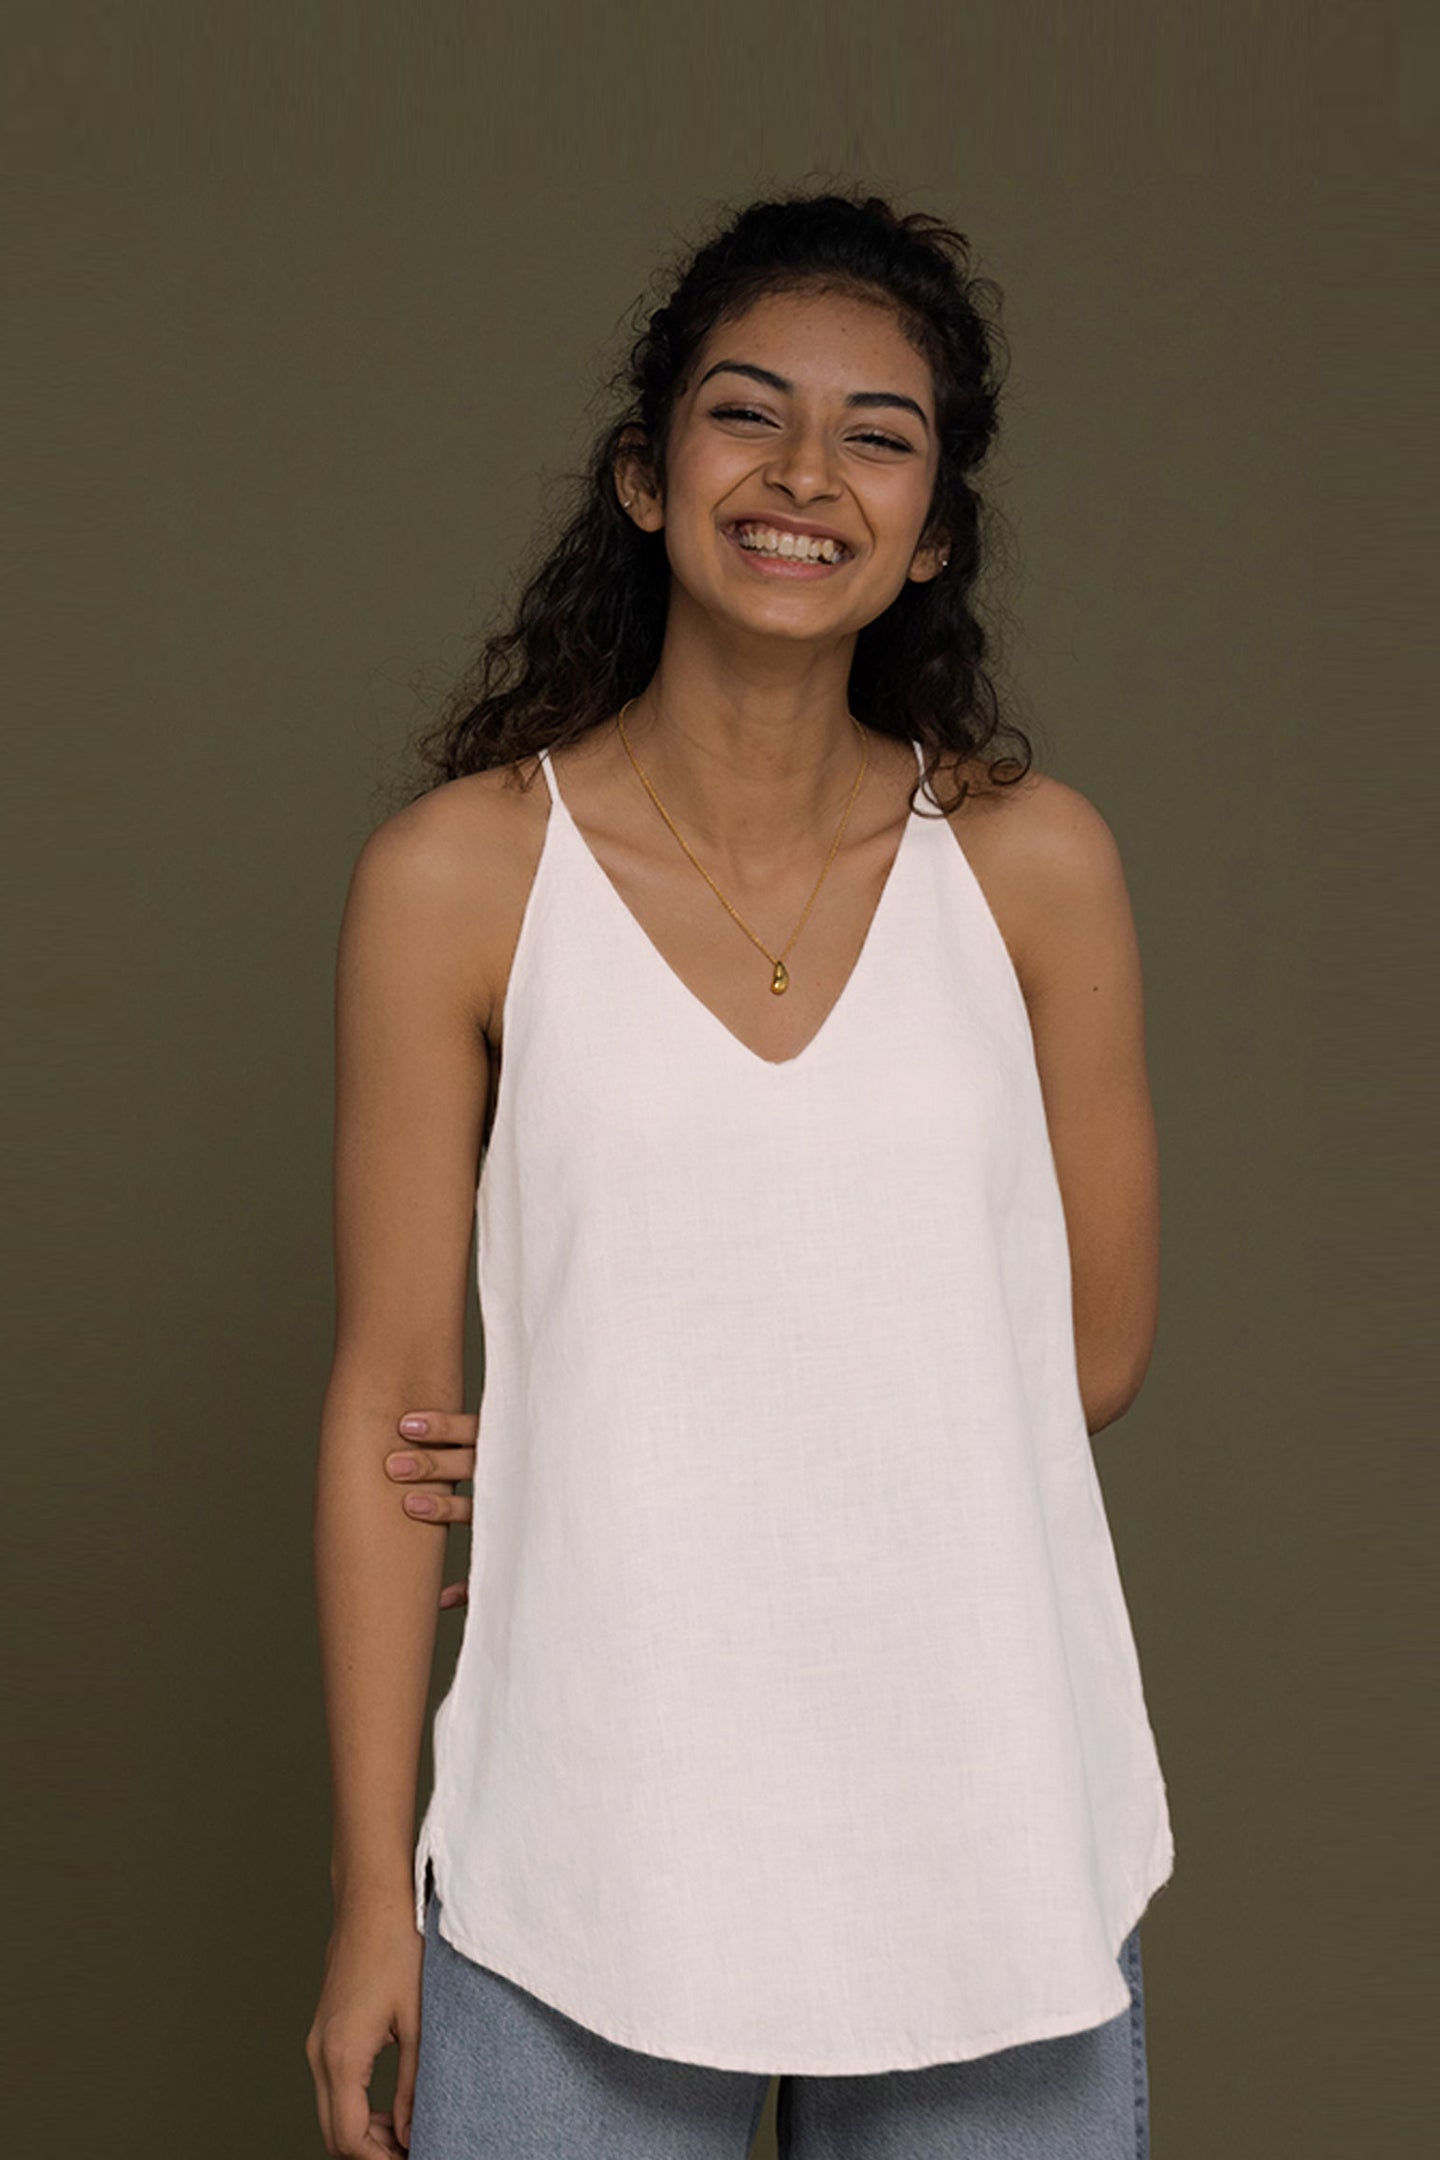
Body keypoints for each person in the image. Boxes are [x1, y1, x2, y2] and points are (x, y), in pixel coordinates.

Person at [305, 188, 1174, 2159]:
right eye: (745, 415)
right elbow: (385, 1406)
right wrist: (377, 1905)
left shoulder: (1033, 871)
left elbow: (1092, 1349)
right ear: (644, 473)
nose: (805, 477)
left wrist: (667, 1431)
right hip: (581, 1841)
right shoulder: (458, 880)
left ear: (934, 529)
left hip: (984, 1824)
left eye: (880, 437)